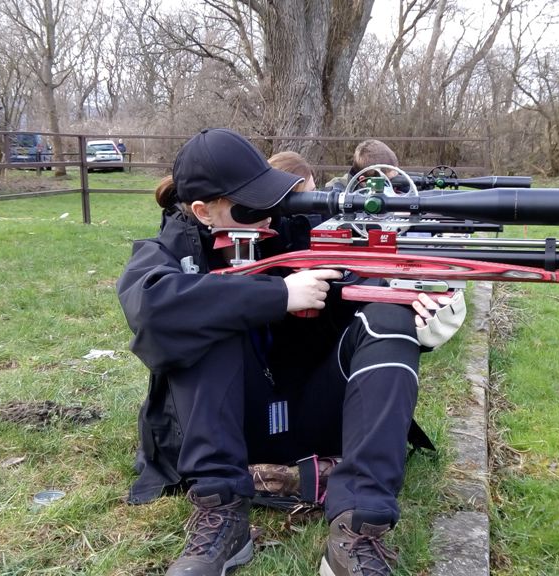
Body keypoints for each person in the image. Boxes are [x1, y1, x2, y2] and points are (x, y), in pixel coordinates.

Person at [117, 128, 466, 576]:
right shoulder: (165, 251)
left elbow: (364, 277)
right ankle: (223, 513)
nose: (268, 214)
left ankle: (359, 526)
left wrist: (414, 308)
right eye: (250, 206)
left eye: (268, 198)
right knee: (204, 316)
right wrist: (278, 295)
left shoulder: (297, 229)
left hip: (313, 418)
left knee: (387, 319)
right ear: (203, 211)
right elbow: (153, 309)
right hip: (225, 434)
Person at [325, 139, 400, 192]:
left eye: (396, 178)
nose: (394, 186)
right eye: (387, 182)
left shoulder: (403, 185)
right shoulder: (336, 189)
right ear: (363, 181)